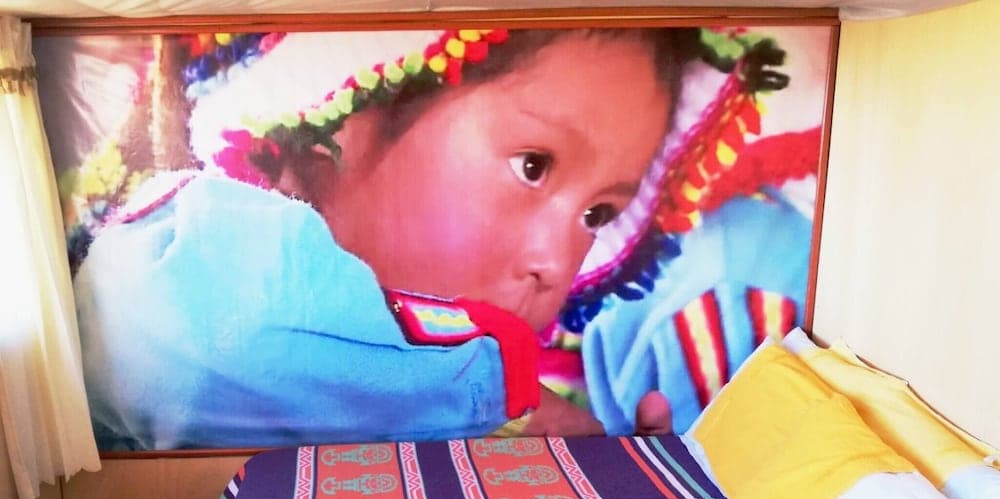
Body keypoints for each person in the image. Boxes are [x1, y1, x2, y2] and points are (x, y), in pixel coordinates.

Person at [72, 27, 696, 450]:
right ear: (340, 124)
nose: (553, 263)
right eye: (532, 165)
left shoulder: (493, 402)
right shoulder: (204, 246)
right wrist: (507, 411)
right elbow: (175, 349)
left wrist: (608, 491)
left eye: (597, 214)